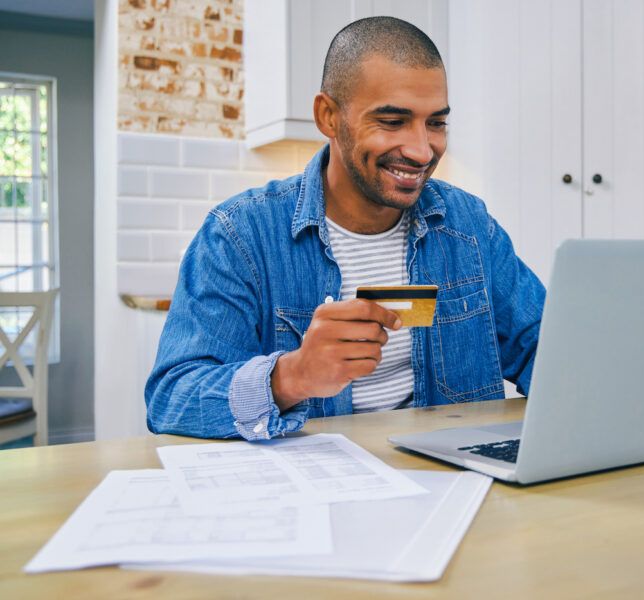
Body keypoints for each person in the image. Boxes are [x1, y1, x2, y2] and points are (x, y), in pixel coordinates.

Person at [145, 16, 545, 440]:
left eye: (436, 123)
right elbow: (172, 399)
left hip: (455, 480)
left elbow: (544, 349)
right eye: (392, 121)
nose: (422, 149)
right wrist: (291, 376)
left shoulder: (468, 225)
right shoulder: (240, 235)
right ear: (328, 116)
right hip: (316, 492)